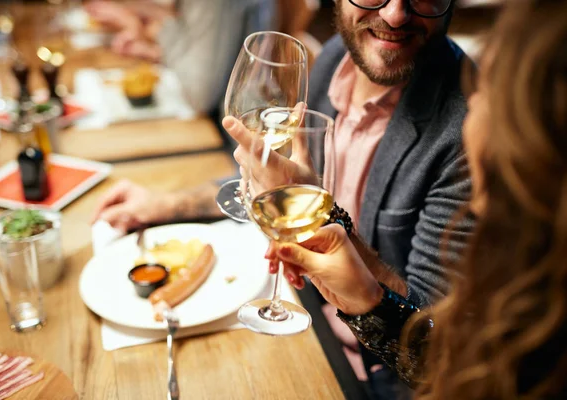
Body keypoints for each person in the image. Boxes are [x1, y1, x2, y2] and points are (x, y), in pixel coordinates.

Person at [92, 0, 472, 396]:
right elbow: (281, 176)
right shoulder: (337, 58)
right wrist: (166, 206)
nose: (395, 15)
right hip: (302, 307)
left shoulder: (473, 134)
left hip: (365, 370)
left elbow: (434, 350)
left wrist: (321, 216)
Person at [265, 0, 567, 398]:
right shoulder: (339, 54)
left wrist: (363, 289)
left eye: (485, 89)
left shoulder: (462, 133)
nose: (394, 15)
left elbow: (443, 355)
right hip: (310, 322)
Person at [85, 0, 276, 114]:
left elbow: (199, 95)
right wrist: (155, 52)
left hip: (236, 139)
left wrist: (160, 30)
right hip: (218, 120)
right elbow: (196, 54)